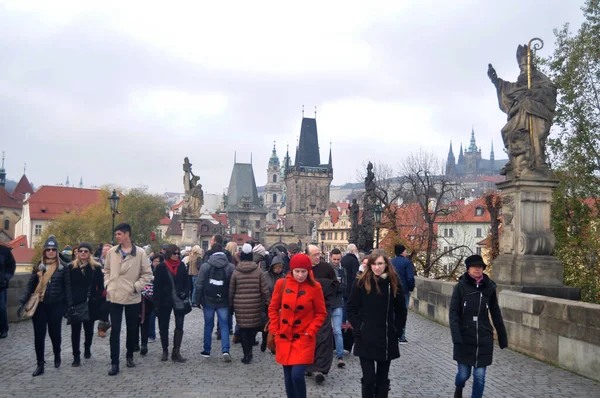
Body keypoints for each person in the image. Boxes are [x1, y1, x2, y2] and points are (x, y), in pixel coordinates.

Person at [347, 252, 407, 398]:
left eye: (380, 264)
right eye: (374, 264)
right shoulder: (361, 282)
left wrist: (398, 330)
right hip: (365, 335)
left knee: (382, 378)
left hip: (385, 336)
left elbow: (401, 310)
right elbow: (351, 308)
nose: (377, 267)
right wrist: (358, 326)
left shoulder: (393, 282)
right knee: (368, 378)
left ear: (386, 264)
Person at [268, 253, 327, 398]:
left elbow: (321, 313)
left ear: (308, 271)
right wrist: (275, 329)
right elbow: (273, 308)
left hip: (303, 339)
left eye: (303, 271)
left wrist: (310, 331)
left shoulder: (315, 287)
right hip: (284, 337)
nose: (300, 275)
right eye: (297, 271)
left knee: (297, 375)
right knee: (288, 377)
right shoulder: (282, 284)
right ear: (291, 270)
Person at [449, 255, 508, 398]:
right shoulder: (460, 287)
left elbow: (495, 312)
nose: (477, 269)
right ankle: (459, 387)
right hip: (464, 337)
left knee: (480, 376)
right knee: (463, 375)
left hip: (483, 336)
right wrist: (456, 335)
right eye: (474, 267)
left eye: (480, 267)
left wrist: (502, 336)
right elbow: (453, 313)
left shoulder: (489, 287)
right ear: (468, 269)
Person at [17, 235, 72, 377]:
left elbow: (67, 287)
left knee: (55, 334)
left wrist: (68, 306)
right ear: (44, 251)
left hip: (56, 305)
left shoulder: (63, 267)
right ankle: (40, 364)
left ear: (57, 251)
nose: (51, 252)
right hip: (40, 306)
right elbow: (30, 285)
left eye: (54, 249)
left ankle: (57, 353)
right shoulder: (38, 266)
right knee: (39, 336)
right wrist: (23, 301)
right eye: (48, 249)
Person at [104, 223, 153, 376]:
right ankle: (114, 362)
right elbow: (106, 270)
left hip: (132, 296)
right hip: (115, 295)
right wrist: (108, 284)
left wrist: (135, 287)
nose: (116, 237)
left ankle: (129, 355)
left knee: (132, 329)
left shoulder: (139, 253)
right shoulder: (112, 252)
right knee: (115, 330)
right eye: (116, 234)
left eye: (119, 234)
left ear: (127, 234)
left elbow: (147, 274)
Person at [229, 243, 271, 364]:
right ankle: (250, 351)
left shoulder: (236, 272)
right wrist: (269, 303)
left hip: (240, 306)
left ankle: (246, 354)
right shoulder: (258, 272)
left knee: (243, 329)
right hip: (255, 304)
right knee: (252, 328)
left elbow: (231, 290)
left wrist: (230, 305)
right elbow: (265, 290)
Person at [196, 240, 235, 362]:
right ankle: (225, 350)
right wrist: (231, 301)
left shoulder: (206, 266)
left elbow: (199, 284)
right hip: (223, 300)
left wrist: (198, 300)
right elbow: (233, 286)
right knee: (224, 325)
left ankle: (207, 350)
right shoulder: (230, 267)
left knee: (208, 325)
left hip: (208, 299)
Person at [306, 244, 338, 385]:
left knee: (324, 338)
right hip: (306, 311)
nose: (318, 257)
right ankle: (308, 365)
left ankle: (320, 369)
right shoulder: (302, 269)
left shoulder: (327, 268)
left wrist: (324, 287)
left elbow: (336, 286)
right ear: (307, 255)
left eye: (319, 254)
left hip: (324, 308)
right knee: (309, 338)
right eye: (315, 255)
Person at [153, 244, 190, 363]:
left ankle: (176, 351)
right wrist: (156, 304)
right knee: (163, 325)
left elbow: (187, 282)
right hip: (165, 300)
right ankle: (165, 350)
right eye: (175, 253)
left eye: (179, 253)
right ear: (169, 254)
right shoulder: (161, 267)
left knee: (179, 325)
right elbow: (157, 287)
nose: (177, 255)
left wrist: (185, 292)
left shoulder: (182, 266)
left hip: (179, 300)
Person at [68, 242, 104, 366]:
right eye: (81, 251)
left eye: (86, 251)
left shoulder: (96, 268)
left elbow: (101, 285)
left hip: (90, 303)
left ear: (90, 253)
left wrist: (96, 297)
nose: (83, 253)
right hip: (76, 303)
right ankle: (76, 356)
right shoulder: (71, 267)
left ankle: (87, 347)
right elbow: (68, 285)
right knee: (75, 331)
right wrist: (70, 300)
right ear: (77, 252)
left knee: (88, 330)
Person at [261, 254, 285, 352]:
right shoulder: (265, 275)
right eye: (277, 267)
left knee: (277, 326)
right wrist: (268, 301)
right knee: (266, 325)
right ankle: (264, 341)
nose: (278, 269)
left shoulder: (284, 277)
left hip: (280, 306)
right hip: (267, 304)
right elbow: (263, 289)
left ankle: (273, 345)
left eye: (280, 267)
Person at [391, 244, 415, 344]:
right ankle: (401, 336)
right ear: (402, 252)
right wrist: (411, 288)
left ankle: (392, 334)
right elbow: (410, 278)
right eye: (405, 251)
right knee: (402, 313)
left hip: (392, 289)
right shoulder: (407, 262)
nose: (406, 252)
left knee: (392, 313)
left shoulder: (391, 261)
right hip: (403, 290)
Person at [140, 254, 162, 355]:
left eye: (158, 261)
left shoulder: (162, 270)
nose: (156, 263)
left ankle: (152, 335)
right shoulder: (148, 269)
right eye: (155, 261)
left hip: (156, 297)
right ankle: (149, 336)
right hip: (146, 296)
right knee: (147, 318)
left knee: (152, 317)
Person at [329, 248, 347, 368]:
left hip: (338, 303)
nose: (336, 261)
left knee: (337, 330)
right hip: (327, 303)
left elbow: (344, 286)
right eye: (334, 259)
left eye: (338, 259)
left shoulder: (343, 270)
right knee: (324, 330)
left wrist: (337, 286)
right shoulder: (326, 269)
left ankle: (340, 356)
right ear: (330, 257)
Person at [0, 243, 16, 339]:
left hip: (1, 285)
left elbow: (12, 265)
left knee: (1, 308)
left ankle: (4, 329)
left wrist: (6, 278)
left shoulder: (4, 250)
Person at [97, 243, 112, 338]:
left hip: (111, 289)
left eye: (106, 250)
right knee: (101, 309)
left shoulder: (114, 262)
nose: (104, 252)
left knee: (106, 308)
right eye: (103, 250)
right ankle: (103, 326)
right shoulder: (97, 262)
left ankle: (102, 327)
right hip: (99, 290)